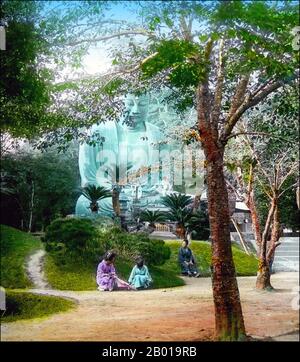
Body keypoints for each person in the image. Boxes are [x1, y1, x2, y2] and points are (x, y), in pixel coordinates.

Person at [75, 93, 170, 217]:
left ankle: (131, 213)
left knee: (182, 202)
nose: (136, 110)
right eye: (130, 104)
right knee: (86, 203)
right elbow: (90, 180)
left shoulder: (158, 134)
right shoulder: (95, 132)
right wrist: (113, 192)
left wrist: (164, 186)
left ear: (149, 104)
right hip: (107, 198)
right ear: (117, 103)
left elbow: (165, 175)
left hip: (148, 196)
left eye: (142, 104)